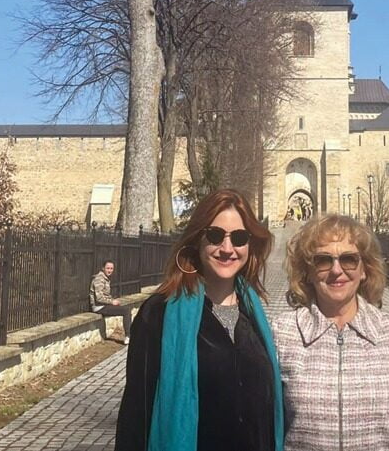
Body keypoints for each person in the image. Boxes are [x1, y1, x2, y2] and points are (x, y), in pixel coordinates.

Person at [115, 189, 283, 451]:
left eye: (239, 238)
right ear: (197, 239)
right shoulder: (159, 313)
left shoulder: (253, 311)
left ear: (250, 245)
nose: (227, 249)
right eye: (215, 235)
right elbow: (136, 413)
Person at [272, 214, 389, 451]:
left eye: (349, 259)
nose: (336, 270)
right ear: (308, 272)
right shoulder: (283, 333)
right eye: (323, 260)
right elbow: (269, 426)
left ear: (364, 269)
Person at [90, 260, 132, 344]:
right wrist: (112, 302)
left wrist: (113, 301)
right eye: (108, 268)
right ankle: (128, 336)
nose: (110, 270)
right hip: (99, 307)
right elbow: (99, 298)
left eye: (111, 268)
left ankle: (129, 335)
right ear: (103, 268)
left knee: (125, 309)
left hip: (104, 305)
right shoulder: (99, 279)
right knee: (126, 310)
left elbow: (106, 295)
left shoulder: (105, 278)